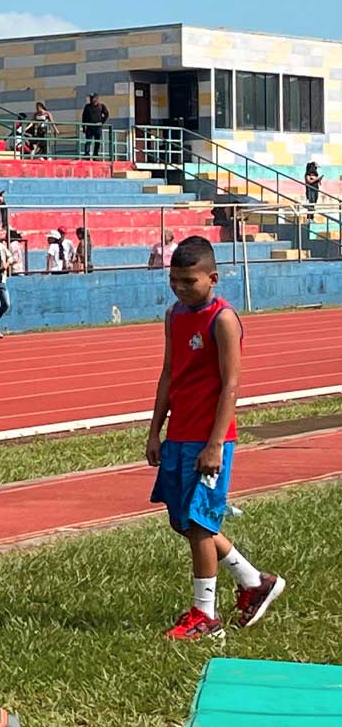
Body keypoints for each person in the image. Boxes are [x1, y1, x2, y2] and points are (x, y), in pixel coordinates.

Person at [147, 236, 285, 640]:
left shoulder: (221, 319)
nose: (180, 288)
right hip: (179, 434)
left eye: (189, 281)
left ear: (213, 278)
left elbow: (231, 385)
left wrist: (214, 444)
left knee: (199, 522)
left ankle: (205, 615)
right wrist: (155, 430)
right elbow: (169, 373)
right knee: (185, 521)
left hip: (209, 438)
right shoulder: (174, 315)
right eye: (175, 280)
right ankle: (254, 581)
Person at [81, 93, 109, 158]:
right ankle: (87, 155)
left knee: (97, 142)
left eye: (92, 98)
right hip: (89, 127)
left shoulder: (101, 106)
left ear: (96, 99)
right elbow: (84, 117)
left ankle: (95, 155)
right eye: (90, 98)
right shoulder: (87, 107)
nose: (91, 99)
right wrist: (84, 127)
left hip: (97, 127)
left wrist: (101, 122)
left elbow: (106, 114)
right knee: (88, 141)